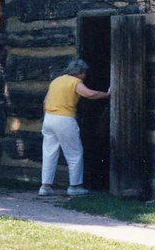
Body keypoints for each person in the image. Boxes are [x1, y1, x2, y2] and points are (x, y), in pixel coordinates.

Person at [38, 58, 110, 196]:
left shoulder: (56, 81)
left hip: (49, 118)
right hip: (64, 119)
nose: (85, 76)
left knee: (49, 153)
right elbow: (90, 94)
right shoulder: (75, 82)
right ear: (80, 72)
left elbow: (45, 101)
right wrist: (107, 95)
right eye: (84, 73)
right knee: (75, 153)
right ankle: (74, 187)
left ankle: (45, 187)